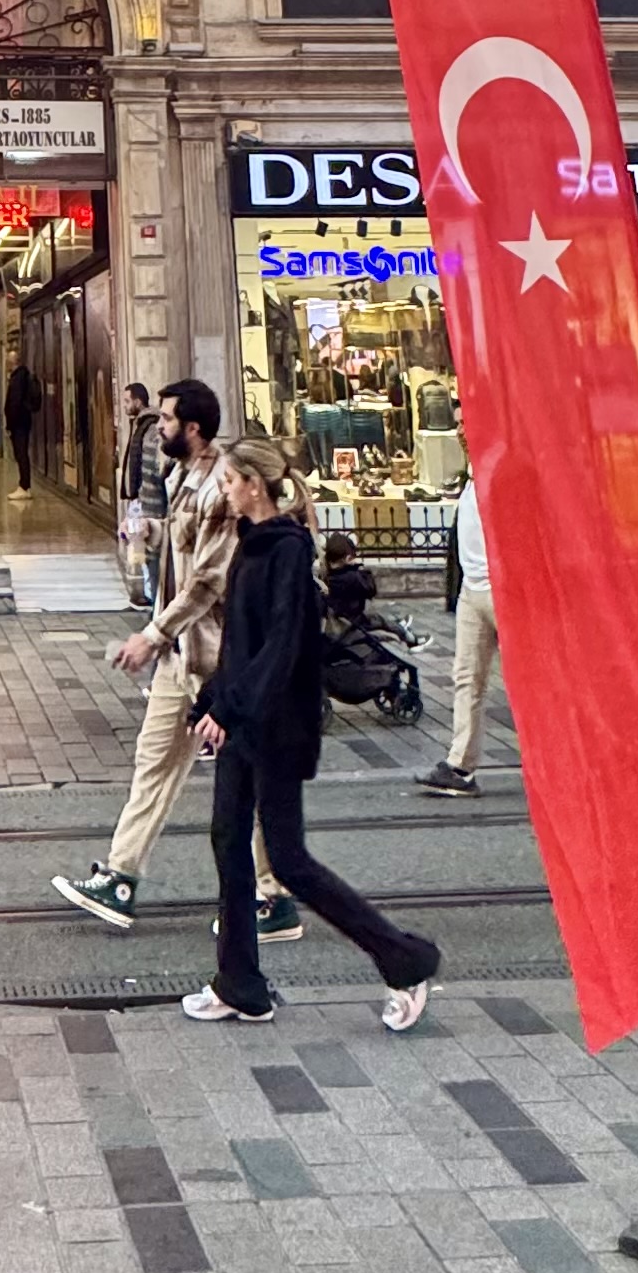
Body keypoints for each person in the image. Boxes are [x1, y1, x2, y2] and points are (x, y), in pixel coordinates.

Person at [184, 437, 439, 1032]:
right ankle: (240, 983)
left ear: (253, 484)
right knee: (228, 840)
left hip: (275, 725)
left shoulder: (288, 553)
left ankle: (404, 958)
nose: (223, 487)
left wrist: (233, 708)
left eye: (229, 479)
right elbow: (240, 644)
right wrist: (213, 701)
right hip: (247, 719)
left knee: (290, 861)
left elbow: (280, 648)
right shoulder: (253, 546)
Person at [53, 379, 292, 940]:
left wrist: (152, 635)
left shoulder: (221, 488)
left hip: (213, 659)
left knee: (246, 779)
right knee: (154, 762)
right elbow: (184, 548)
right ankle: (120, 877)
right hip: (180, 658)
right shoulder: (183, 476)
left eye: (164, 420)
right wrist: (150, 529)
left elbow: (208, 581)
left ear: (193, 428)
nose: (156, 427)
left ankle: (272, 895)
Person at [416, 477, 501, 793]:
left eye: (464, 425)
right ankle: (461, 765)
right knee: (466, 677)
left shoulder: (501, 470)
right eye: (458, 426)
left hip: (502, 589)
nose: (461, 432)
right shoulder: (470, 479)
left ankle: (555, 760)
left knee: (531, 680)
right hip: (473, 588)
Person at [115, 383, 166, 607]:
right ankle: (147, 596)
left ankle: (154, 602)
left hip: (151, 507)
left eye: (127, 401)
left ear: (138, 401)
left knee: (151, 557)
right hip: (142, 503)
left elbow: (154, 471)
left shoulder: (151, 429)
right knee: (141, 553)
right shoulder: (140, 426)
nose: (125, 406)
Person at [4, 356, 42, 493]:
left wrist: (9, 424)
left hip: (18, 422)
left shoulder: (17, 379)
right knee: (22, 453)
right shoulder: (23, 376)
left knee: (21, 453)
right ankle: (24, 485)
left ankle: (24, 486)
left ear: (12, 362)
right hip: (23, 420)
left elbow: (14, 403)